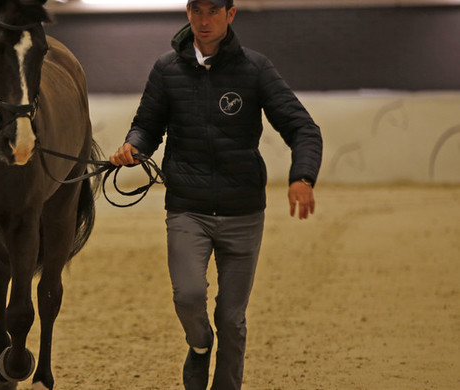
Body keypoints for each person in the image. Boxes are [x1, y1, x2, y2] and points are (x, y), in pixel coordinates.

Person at [109, 0, 323, 389]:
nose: (203, 20)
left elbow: (303, 128)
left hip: (243, 213)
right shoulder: (166, 69)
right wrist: (133, 146)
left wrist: (303, 177)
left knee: (231, 317)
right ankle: (199, 346)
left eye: (212, 10)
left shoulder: (255, 69)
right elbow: (146, 126)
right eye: (196, 10)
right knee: (188, 295)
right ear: (188, 13)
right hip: (187, 209)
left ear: (231, 13)